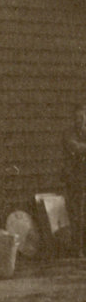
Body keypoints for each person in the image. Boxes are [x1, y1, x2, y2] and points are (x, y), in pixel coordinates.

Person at [64, 103, 86, 257]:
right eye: (79, 117)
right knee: (77, 213)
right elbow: (75, 147)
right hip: (75, 178)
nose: (82, 120)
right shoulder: (69, 133)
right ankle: (77, 249)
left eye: (84, 117)